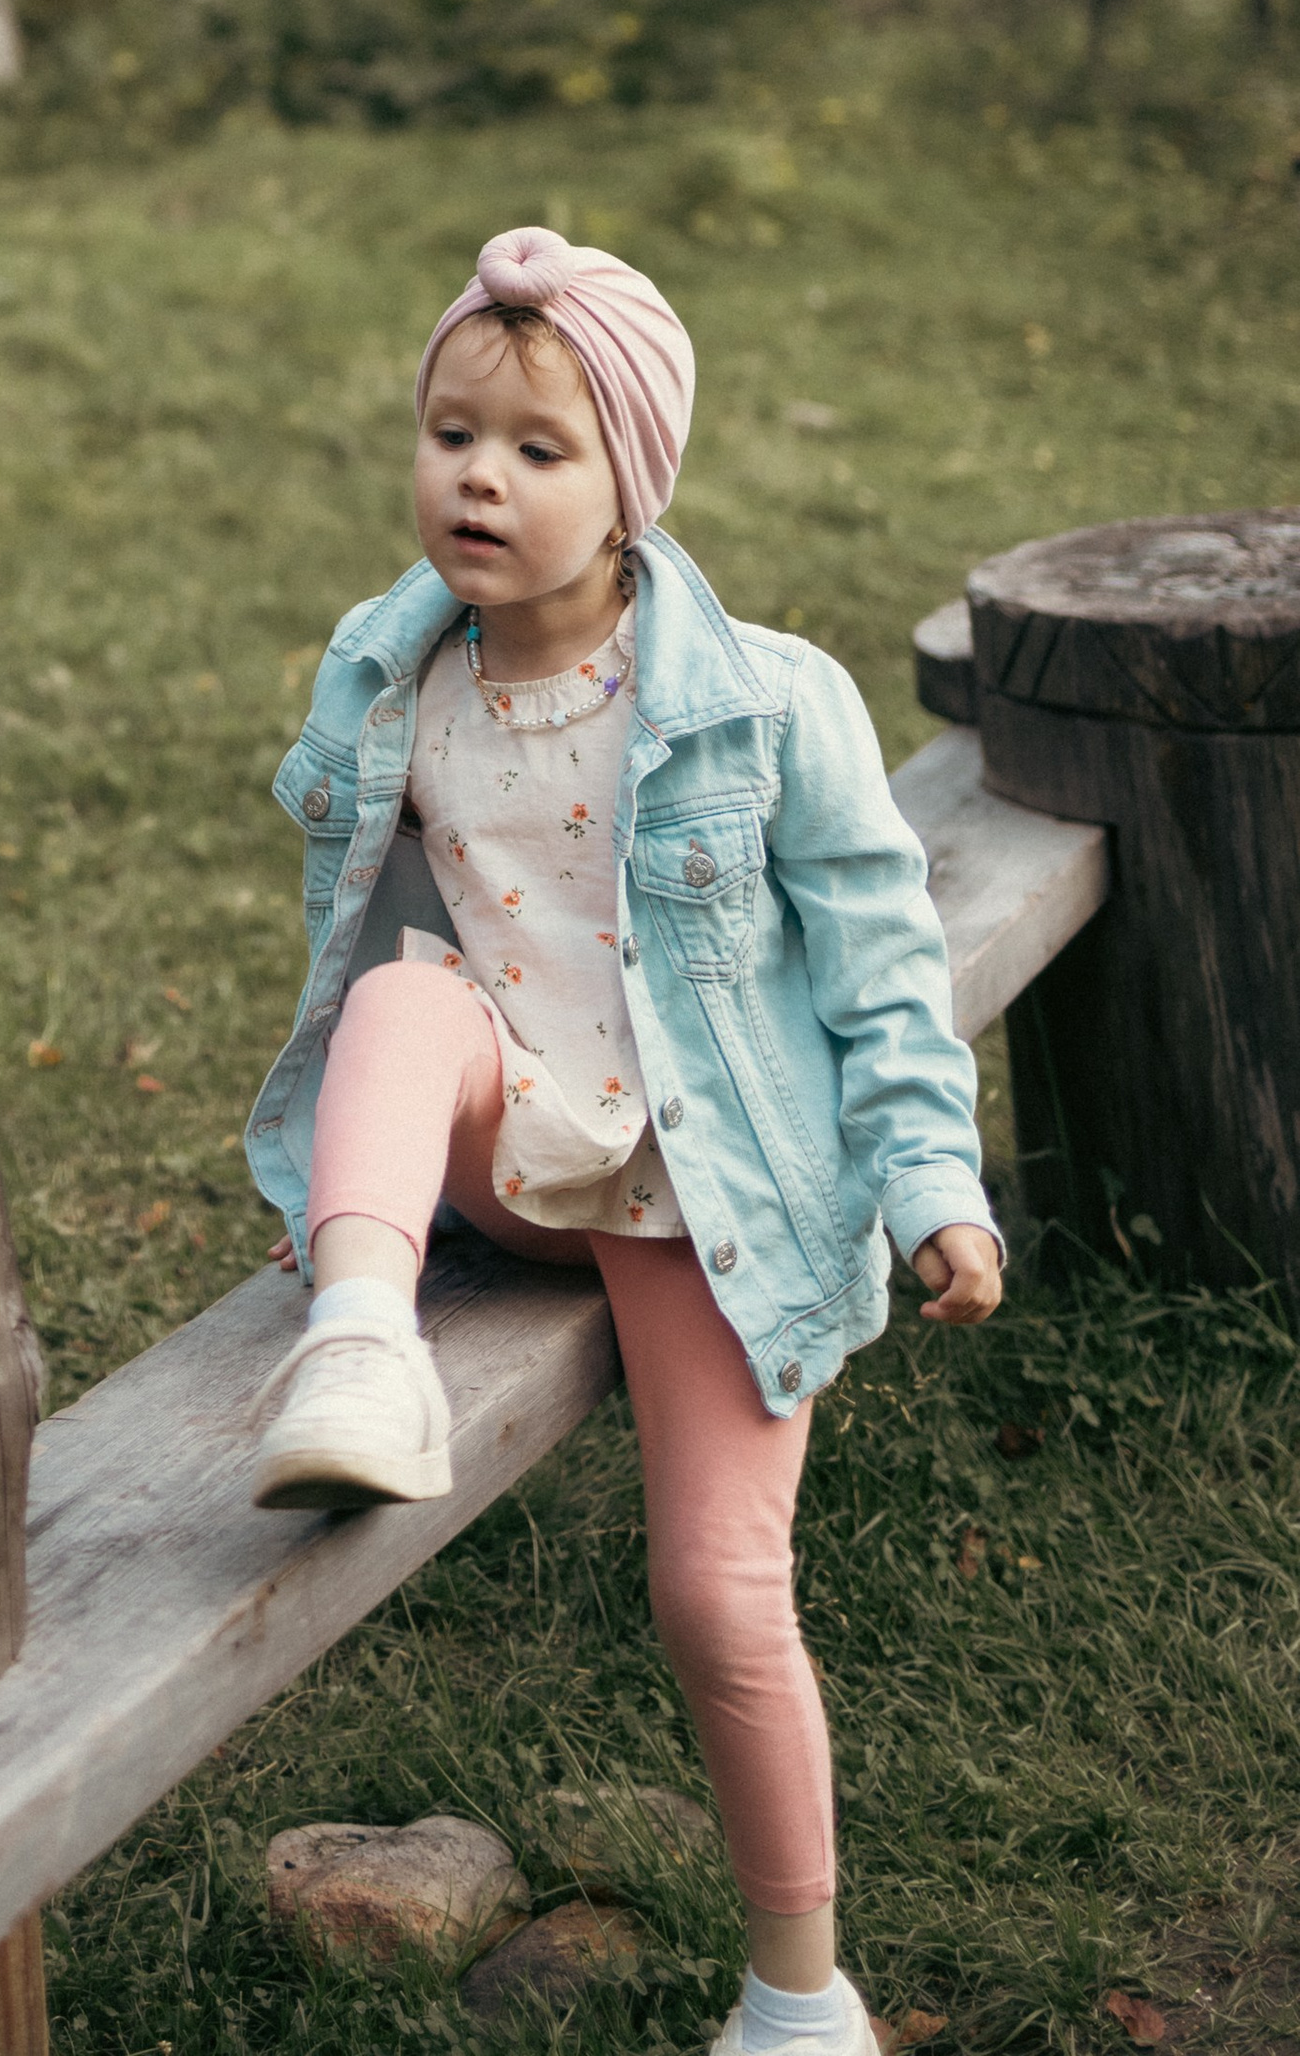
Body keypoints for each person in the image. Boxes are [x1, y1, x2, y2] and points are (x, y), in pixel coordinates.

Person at [243, 224, 1003, 2056]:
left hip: (703, 1187)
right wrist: (354, 1176)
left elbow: (887, 968)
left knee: (719, 1592)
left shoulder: (766, 698)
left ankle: (799, 1994)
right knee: (403, 1004)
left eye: (536, 446)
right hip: (511, 1144)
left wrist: (927, 1181)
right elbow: (360, 928)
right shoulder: (392, 671)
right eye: (451, 433)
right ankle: (361, 1346)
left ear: (633, 484)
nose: (479, 478)